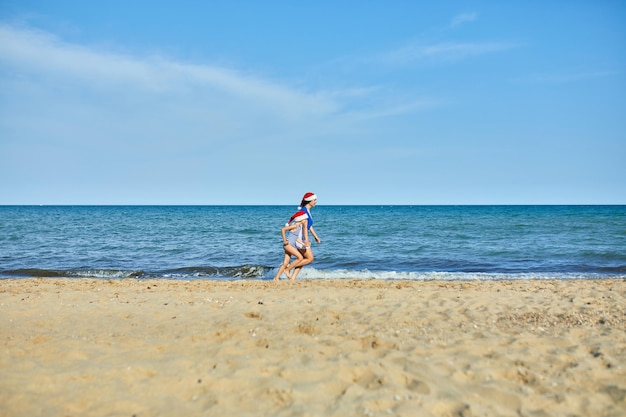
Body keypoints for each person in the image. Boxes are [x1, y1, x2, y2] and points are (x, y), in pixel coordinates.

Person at [289, 192, 321, 280]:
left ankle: (292, 278)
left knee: (304, 258)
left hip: (301, 237)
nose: (316, 202)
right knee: (310, 258)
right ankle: (287, 268)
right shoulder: (303, 211)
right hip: (299, 238)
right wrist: (305, 240)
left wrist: (315, 236)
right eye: (314, 200)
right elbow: (303, 228)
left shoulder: (307, 211)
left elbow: (308, 226)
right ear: (309, 201)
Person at [273, 211, 310, 281]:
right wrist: (284, 240)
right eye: (305, 219)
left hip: (290, 245)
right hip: (288, 245)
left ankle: (276, 278)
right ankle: (287, 270)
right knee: (300, 257)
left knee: (285, 263)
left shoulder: (299, 227)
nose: (306, 221)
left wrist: (303, 244)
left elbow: (296, 238)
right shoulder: (295, 225)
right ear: (301, 219)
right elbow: (283, 229)